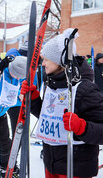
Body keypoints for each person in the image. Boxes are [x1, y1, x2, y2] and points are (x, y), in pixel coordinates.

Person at [21, 28, 103, 178]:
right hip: (51, 164)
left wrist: (82, 127)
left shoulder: (85, 89)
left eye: (46, 59)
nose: (43, 63)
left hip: (76, 168)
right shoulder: (51, 83)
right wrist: (33, 100)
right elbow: (50, 118)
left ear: (60, 62)